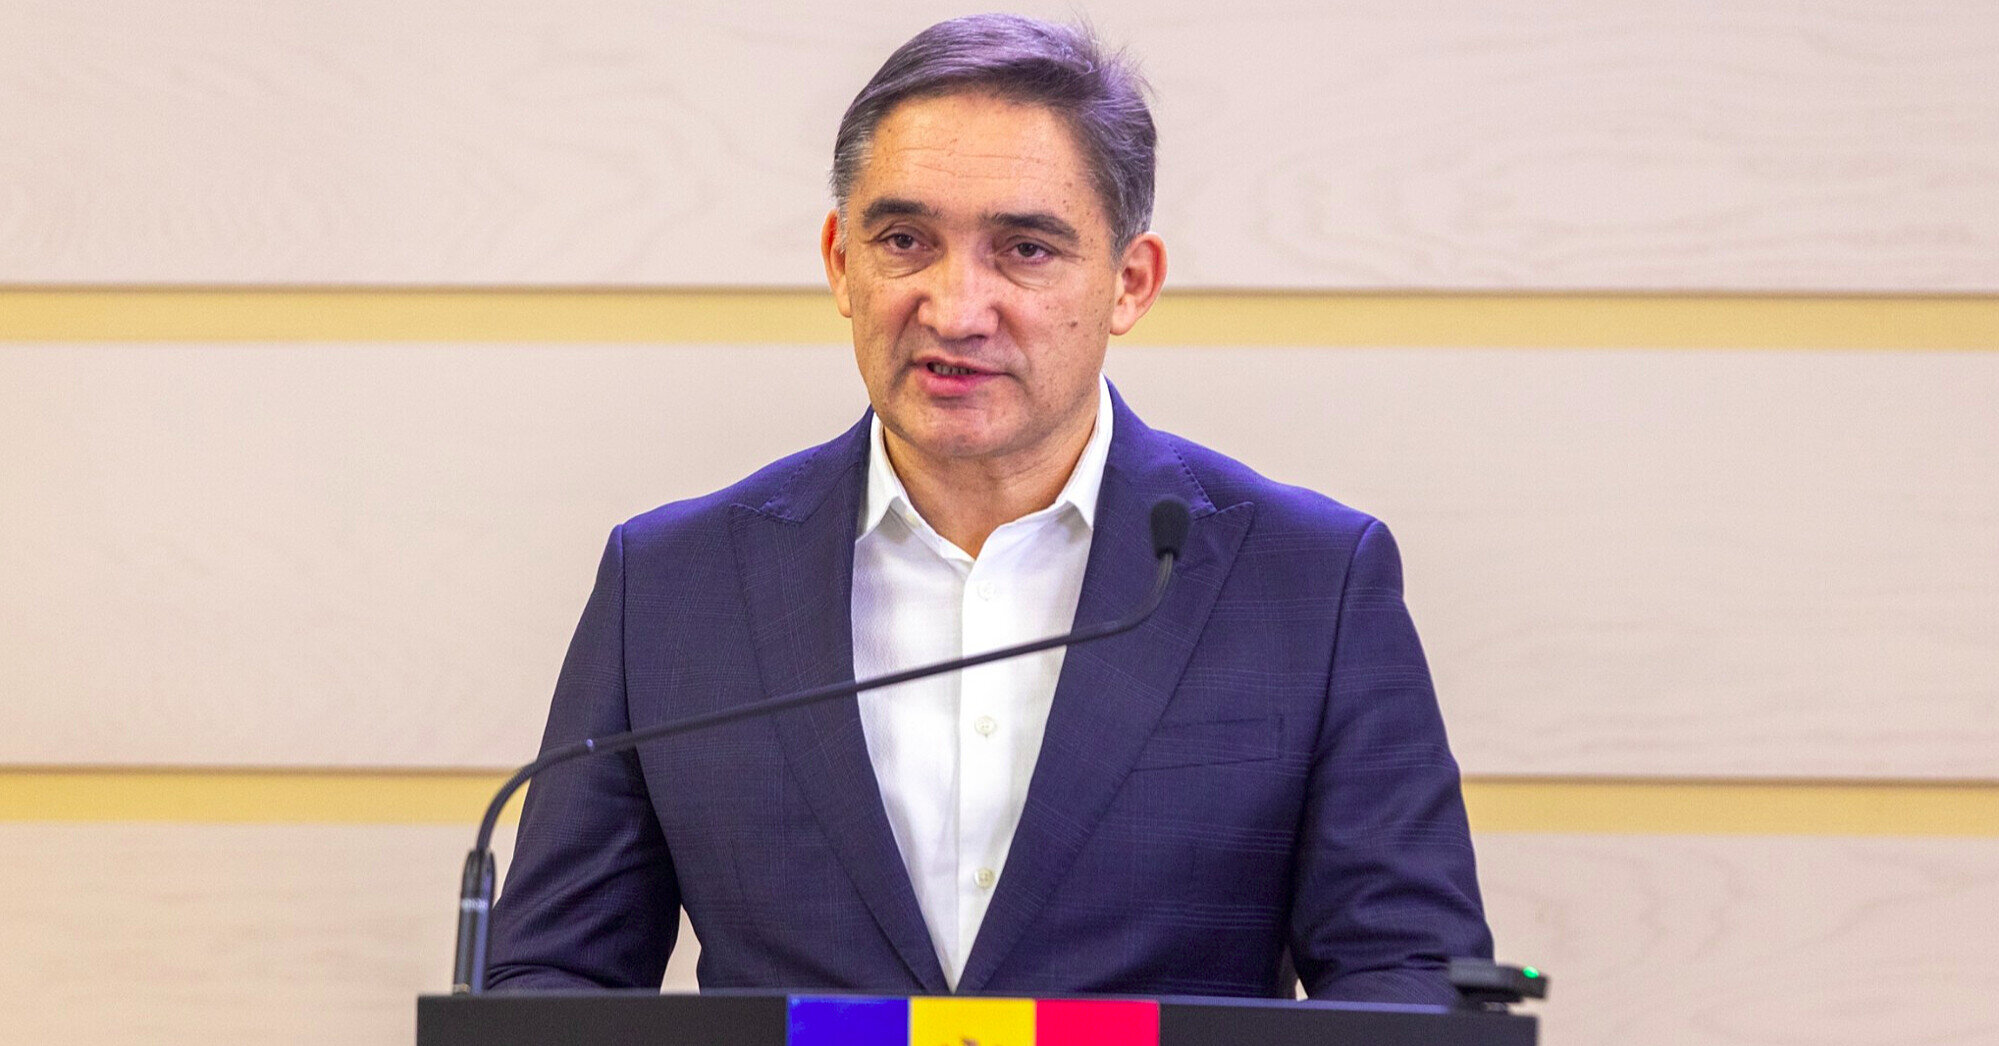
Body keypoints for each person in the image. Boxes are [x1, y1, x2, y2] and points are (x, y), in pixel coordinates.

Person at [488, 13, 1490, 1003]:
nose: (956, 309)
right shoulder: (674, 584)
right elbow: (553, 977)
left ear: (1129, 283)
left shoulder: (1307, 579)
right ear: (840, 261)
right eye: (905, 240)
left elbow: (1405, 977)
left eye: (1025, 250)